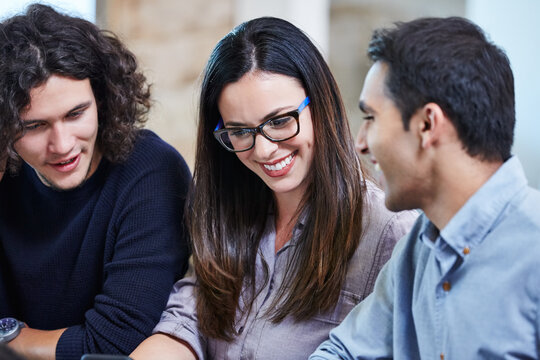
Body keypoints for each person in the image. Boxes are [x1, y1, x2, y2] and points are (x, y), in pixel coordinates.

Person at [130, 16, 417, 360]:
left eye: (280, 121)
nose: (264, 150)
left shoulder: (388, 231)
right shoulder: (225, 213)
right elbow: (185, 324)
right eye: (240, 131)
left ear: (320, 106)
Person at [310, 16, 540, 359]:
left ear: (428, 124)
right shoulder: (418, 248)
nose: (360, 143)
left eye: (371, 118)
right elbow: (343, 351)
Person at [0, 4, 192, 359]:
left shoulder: (151, 171)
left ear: (102, 101)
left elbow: (113, 343)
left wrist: (11, 340)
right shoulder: (7, 175)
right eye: (34, 126)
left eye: (76, 114)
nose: (62, 145)